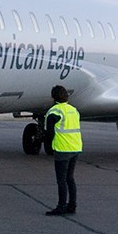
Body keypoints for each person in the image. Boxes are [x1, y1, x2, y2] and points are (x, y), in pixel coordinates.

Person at [43, 85, 82, 215]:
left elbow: (49, 133)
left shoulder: (54, 112)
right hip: (75, 147)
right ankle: (72, 206)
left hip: (62, 149)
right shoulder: (74, 110)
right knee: (70, 178)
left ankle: (61, 206)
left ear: (53, 97)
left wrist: (48, 146)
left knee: (61, 180)